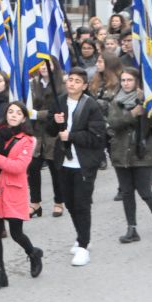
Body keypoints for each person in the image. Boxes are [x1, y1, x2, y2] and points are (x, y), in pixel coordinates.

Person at [46, 67, 106, 267]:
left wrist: (71, 136)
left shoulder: (91, 106)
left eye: (77, 81)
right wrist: (56, 122)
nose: (72, 83)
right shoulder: (59, 101)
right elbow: (49, 129)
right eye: (70, 79)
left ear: (84, 86)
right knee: (70, 203)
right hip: (63, 161)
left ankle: (83, 245)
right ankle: (81, 235)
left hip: (83, 162)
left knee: (82, 204)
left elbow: (97, 137)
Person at [0, 102, 44, 291]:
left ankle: (33, 253)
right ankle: (0, 273)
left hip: (13, 190)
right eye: (10, 111)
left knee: (16, 233)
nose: (13, 115)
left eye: (18, 112)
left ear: (24, 118)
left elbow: (18, 167)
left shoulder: (27, 140)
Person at [106, 68, 152, 242]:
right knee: (126, 192)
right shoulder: (115, 101)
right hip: (121, 152)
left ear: (137, 82)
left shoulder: (146, 99)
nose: (126, 83)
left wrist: (150, 104)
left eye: (129, 80)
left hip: (143, 152)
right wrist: (133, 113)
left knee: (144, 191)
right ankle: (132, 229)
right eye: (123, 80)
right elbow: (113, 123)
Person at [29, 60, 64, 218]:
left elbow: (57, 110)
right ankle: (35, 203)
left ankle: (59, 202)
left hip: (52, 132)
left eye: (47, 65)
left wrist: (37, 114)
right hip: (36, 133)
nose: (43, 67)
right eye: (41, 64)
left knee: (55, 169)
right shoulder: (33, 84)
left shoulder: (60, 85)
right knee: (33, 168)